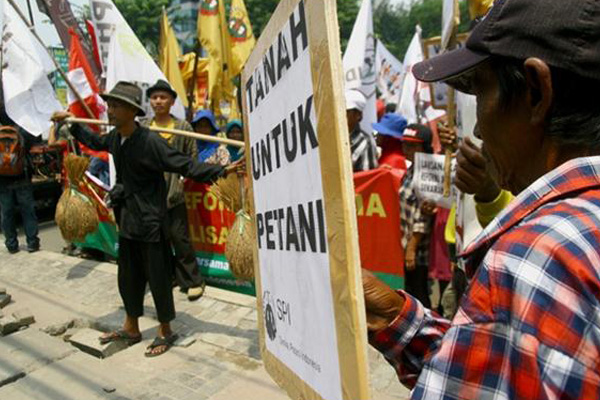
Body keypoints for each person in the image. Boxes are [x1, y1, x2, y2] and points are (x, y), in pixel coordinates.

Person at [364, 0, 600, 397]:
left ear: (535, 92)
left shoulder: (538, 255)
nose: (479, 125)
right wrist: (395, 316)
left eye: (481, 92)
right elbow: (504, 368)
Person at [52, 81, 241, 357]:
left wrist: (223, 170)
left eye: (116, 106)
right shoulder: (116, 138)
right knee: (128, 277)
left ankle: (166, 330)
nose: (110, 111)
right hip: (127, 220)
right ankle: (131, 326)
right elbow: (94, 141)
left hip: (152, 222)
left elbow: (185, 164)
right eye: (109, 105)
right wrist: (71, 123)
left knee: (158, 278)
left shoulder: (151, 142)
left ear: (131, 111)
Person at [140, 79, 207, 302]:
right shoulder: (143, 127)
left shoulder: (183, 128)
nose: (158, 101)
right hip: (149, 195)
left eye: (163, 97)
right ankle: (168, 278)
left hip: (174, 194)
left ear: (172, 101)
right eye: (154, 97)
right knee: (158, 241)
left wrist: (182, 181)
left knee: (180, 238)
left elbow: (192, 159)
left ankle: (193, 281)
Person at [398, 124, 434, 309]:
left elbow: (423, 216)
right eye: (405, 144)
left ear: (424, 147)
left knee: (419, 297)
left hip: (419, 251)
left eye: (412, 146)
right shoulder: (411, 170)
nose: (406, 149)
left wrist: (411, 248)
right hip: (407, 245)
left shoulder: (428, 173)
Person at [0, 111, 41, 254]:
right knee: (28, 211)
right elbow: (36, 139)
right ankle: (32, 243)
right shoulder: (22, 131)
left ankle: (11, 244)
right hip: (22, 177)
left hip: (3, 180)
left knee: (6, 213)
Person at [346, 90, 378, 172]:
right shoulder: (333, 138)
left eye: (347, 111)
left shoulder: (366, 143)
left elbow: (366, 178)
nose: (342, 114)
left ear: (358, 115)